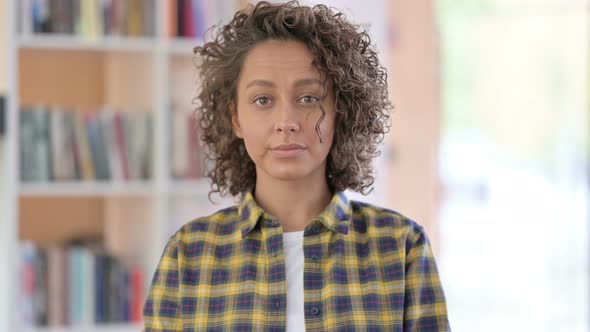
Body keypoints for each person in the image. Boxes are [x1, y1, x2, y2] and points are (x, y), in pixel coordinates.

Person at [143, 1, 450, 331]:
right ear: (235, 118)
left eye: (308, 98)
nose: (286, 122)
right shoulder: (187, 255)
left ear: (339, 109)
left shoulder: (402, 248)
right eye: (263, 100)